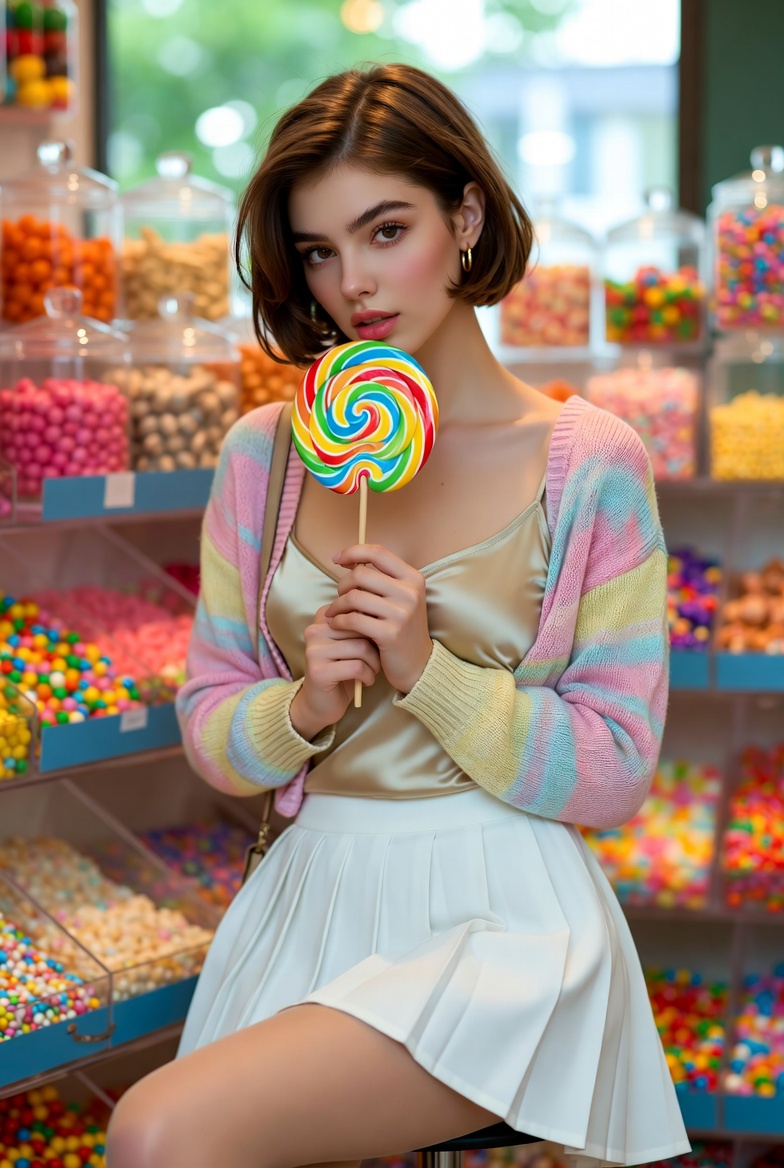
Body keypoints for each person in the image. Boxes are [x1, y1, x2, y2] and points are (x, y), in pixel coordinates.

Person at [106, 63, 690, 1168]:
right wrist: (305, 704)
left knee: (158, 1132)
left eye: (386, 230)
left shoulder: (591, 463)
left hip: (504, 919)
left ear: (464, 218)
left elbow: (617, 768)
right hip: (309, 893)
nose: (354, 283)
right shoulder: (266, 456)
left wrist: (430, 670)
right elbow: (212, 730)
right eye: (320, 251)